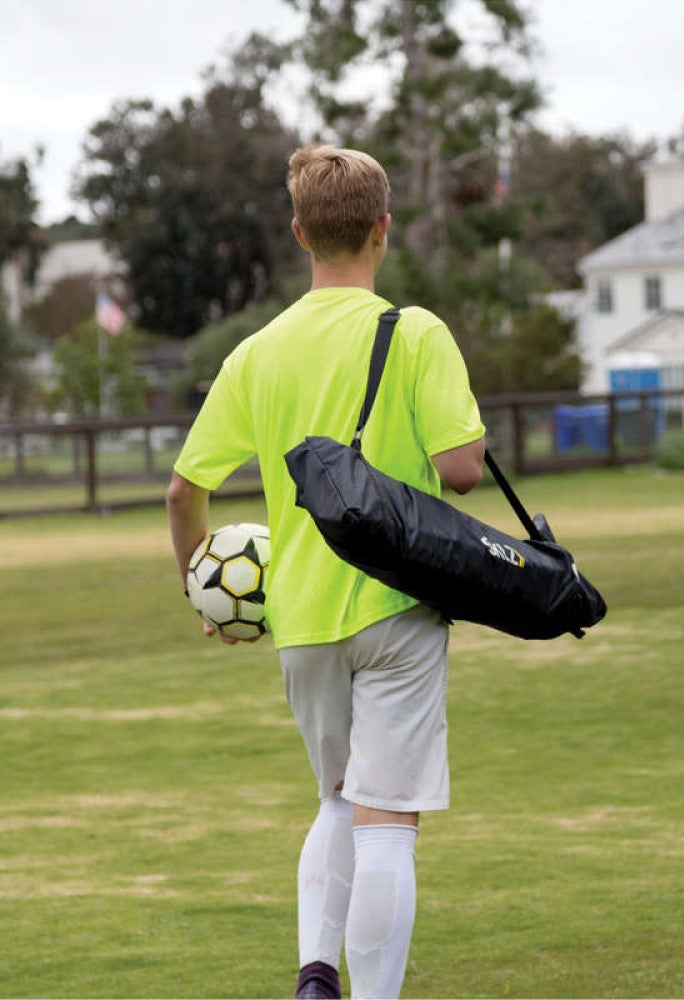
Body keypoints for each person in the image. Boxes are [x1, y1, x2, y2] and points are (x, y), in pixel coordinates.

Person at [167, 145, 485, 999]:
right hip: (400, 604)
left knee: (338, 799)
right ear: (384, 229)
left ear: (302, 232)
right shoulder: (416, 332)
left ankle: (315, 978)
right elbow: (461, 469)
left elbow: (184, 489)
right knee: (388, 823)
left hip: (299, 618)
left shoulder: (257, 352)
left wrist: (203, 586)